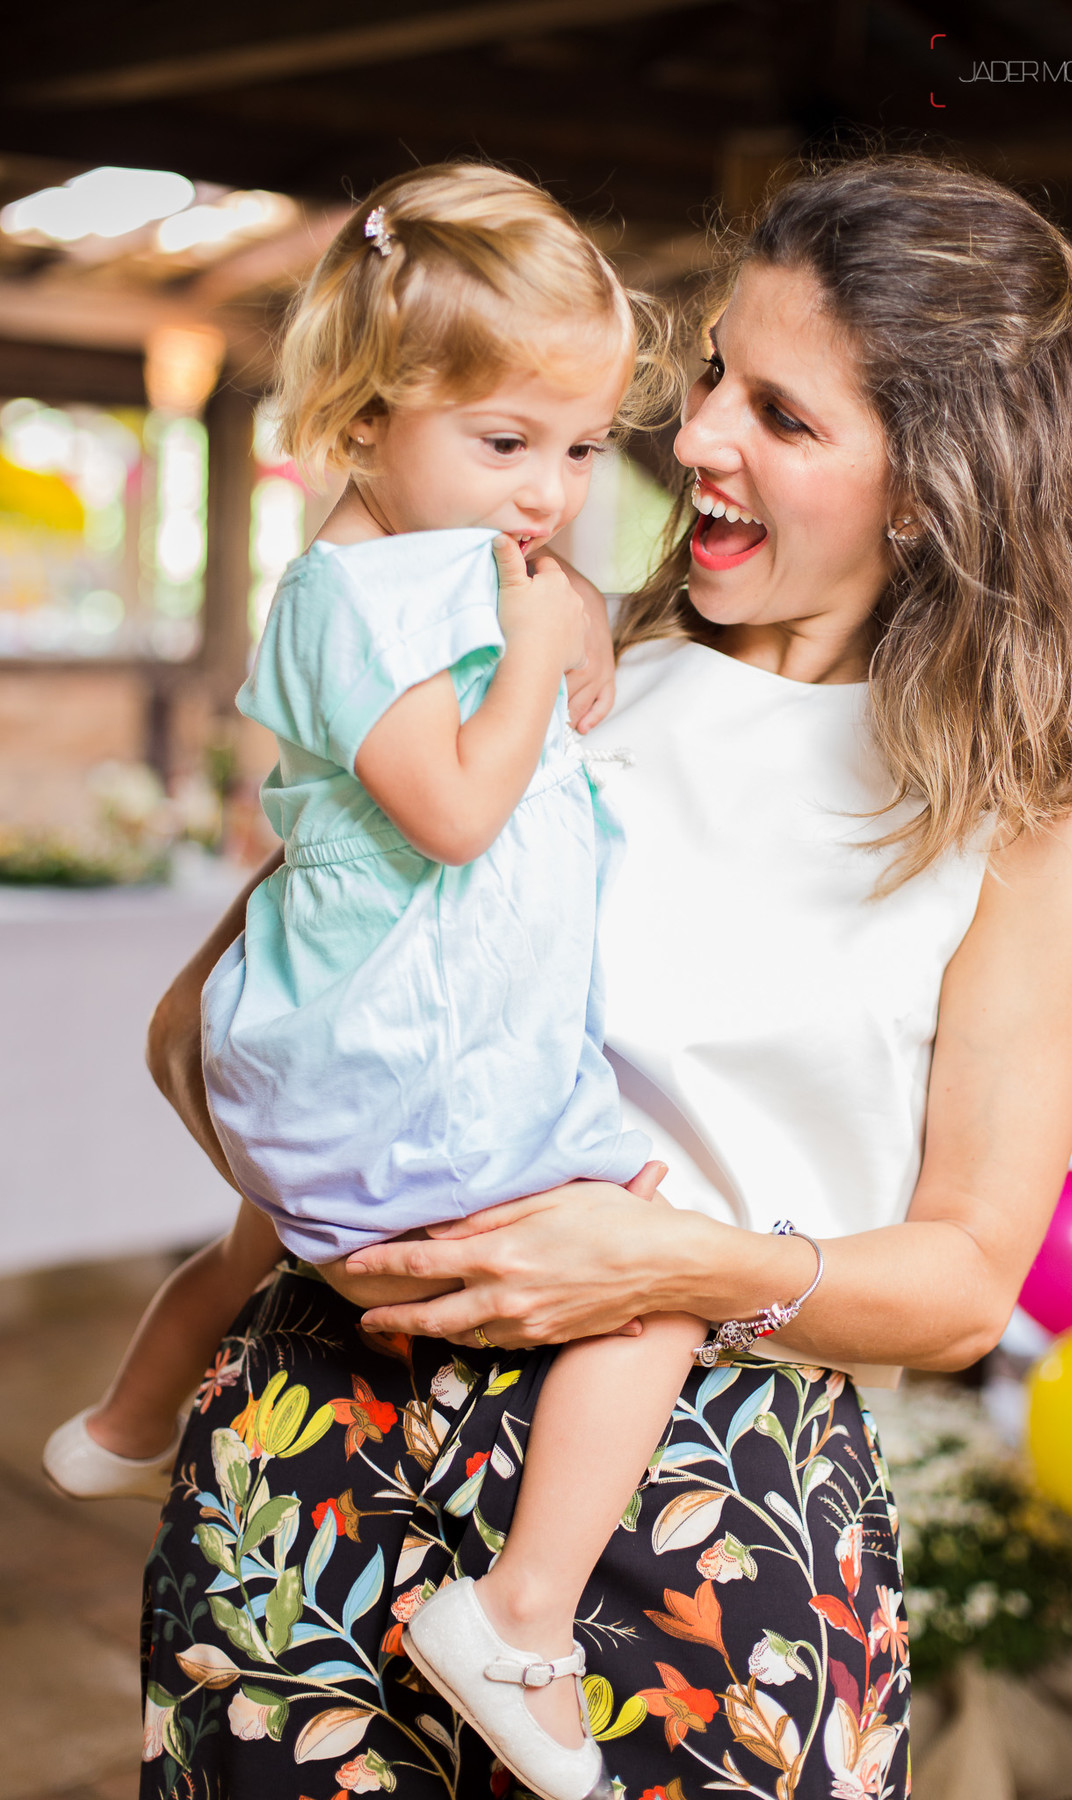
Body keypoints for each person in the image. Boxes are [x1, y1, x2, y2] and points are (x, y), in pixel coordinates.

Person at [137, 153, 1072, 1800]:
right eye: (707, 381)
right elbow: (216, 1016)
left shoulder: (1021, 804)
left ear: (935, 482)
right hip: (320, 1444)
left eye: (785, 416)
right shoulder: (566, 659)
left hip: (703, 1514)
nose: (693, 443)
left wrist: (667, 1263)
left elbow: (966, 1287)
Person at [46, 164, 706, 1800]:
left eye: (576, 448)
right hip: (408, 1052)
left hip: (359, 1037)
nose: (551, 492)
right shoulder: (353, 595)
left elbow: (515, 700)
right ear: (360, 420)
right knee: (668, 1270)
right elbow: (458, 804)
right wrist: (550, 651)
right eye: (506, 444)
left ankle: (125, 1424)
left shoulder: (444, 567)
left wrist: (563, 631)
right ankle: (520, 1614)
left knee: (265, 1235)